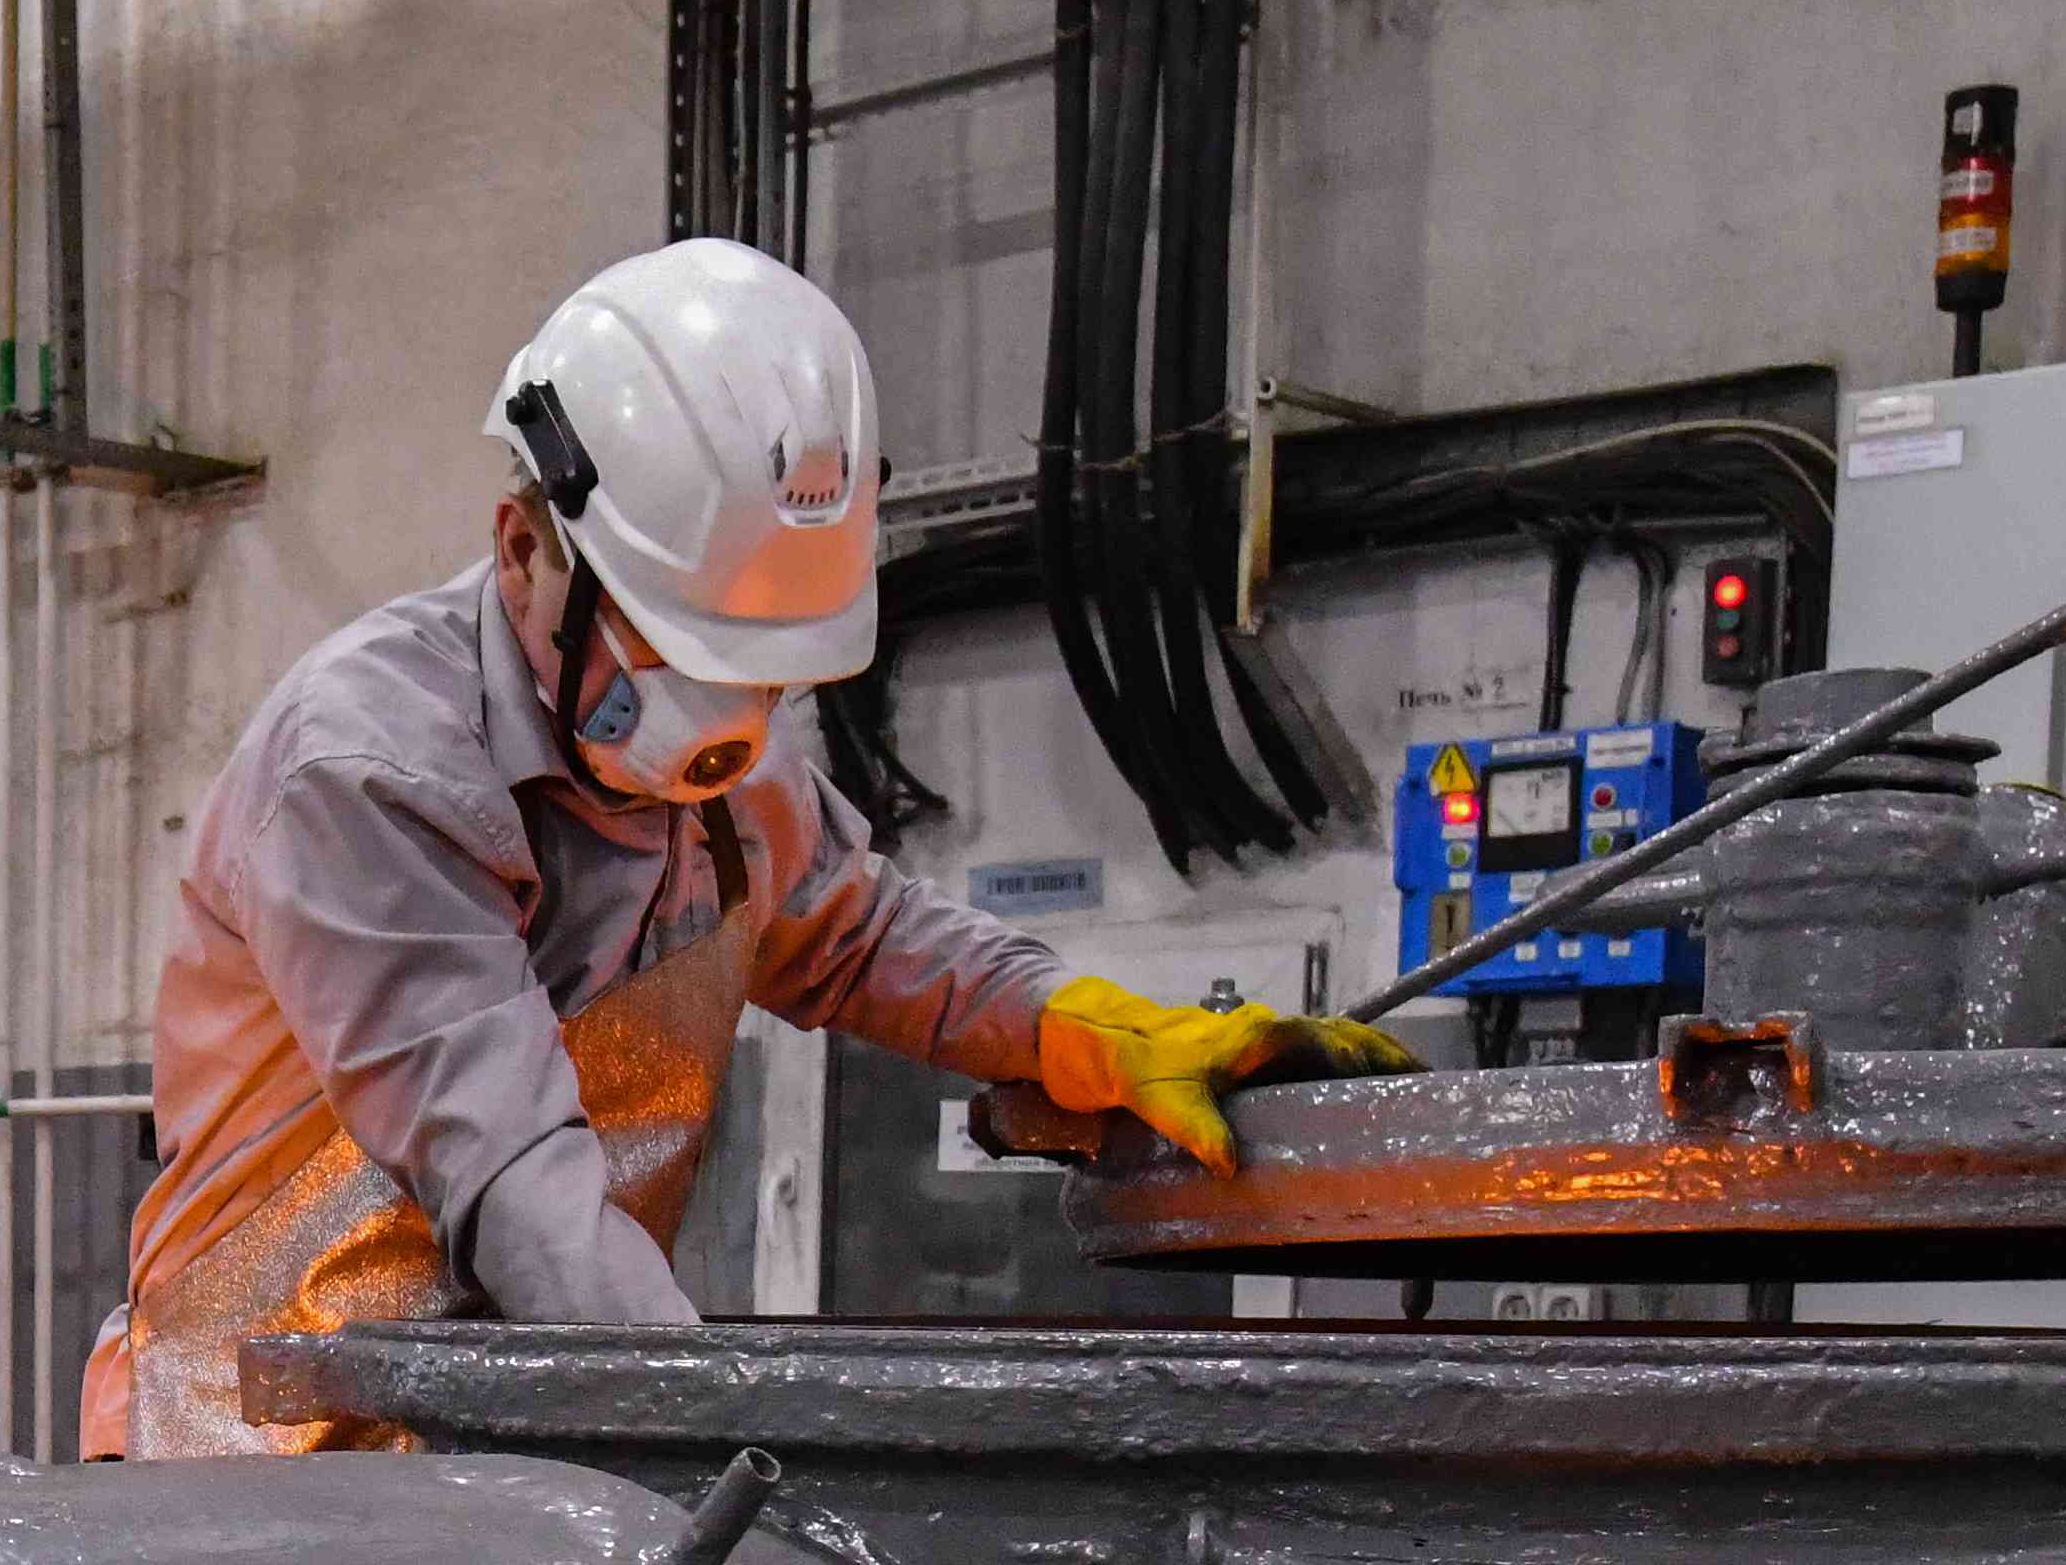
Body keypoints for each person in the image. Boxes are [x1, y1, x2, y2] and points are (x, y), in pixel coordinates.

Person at [77, 235, 1406, 1457]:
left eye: (764, 680)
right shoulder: (369, 770)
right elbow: (512, 1178)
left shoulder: (714, 771)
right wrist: (705, 1434)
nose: (726, 727)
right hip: (262, 1443)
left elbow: (859, 932)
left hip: (503, 1424)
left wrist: (1086, 1027)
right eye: (682, 657)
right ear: (524, 546)